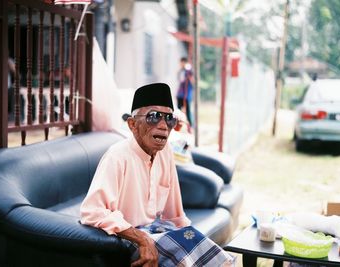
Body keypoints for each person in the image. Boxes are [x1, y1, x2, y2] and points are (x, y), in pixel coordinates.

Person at [80, 83, 234, 267]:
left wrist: (191, 238)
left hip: (157, 230)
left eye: (169, 119)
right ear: (133, 124)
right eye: (154, 117)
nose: (163, 126)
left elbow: (175, 215)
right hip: (127, 237)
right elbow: (92, 211)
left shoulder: (165, 151)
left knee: (220, 260)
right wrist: (143, 239)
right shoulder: (117, 156)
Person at [176, 57, 194, 126]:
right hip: (180, 94)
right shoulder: (181, 71)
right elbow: (180, 79)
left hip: (186, 95)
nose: (181, 64)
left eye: (182, 62)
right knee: (178, 111)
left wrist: (189, 75)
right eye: (181, 63)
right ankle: (178, 125)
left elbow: (192, 82)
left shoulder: (189, 71)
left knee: (188, 111)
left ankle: (190, 125)